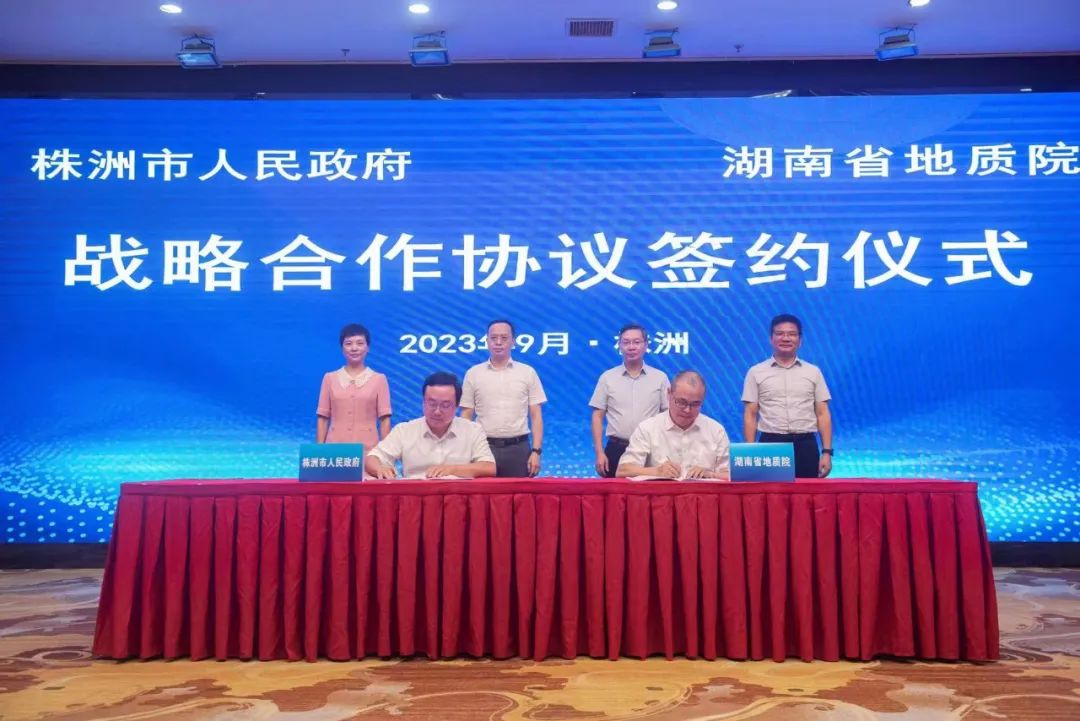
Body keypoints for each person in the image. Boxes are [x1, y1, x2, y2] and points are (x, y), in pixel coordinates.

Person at [742, 313, 833, 478]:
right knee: (770, 493)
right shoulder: (755, 372)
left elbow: (822, 413)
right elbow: (750, 414)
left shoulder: (813, 372)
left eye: (792, 334)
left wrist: (827, 452)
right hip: (770, 445)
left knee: (806, 493)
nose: (786, 338)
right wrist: (751, 452)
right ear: (771, 339)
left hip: (806, 445)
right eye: (780, 333)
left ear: (800, 340)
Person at [365, 372, 495, 479]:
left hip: (458, 496)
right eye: (432, 404)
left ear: (456, 406)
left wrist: (452, 469)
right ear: (423, 402)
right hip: (416, 496)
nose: (437, 411)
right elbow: (372, 458)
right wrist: (380, 469)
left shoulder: (472, 430)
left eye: (445, 405)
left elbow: (489, 467)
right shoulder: (404, 430)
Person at [460, 320, 547, 477]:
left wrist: (536, 451)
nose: (498, 342)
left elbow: (536, 415)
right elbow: (466, 415)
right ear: (487, 341)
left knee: (518, 493)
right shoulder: (473, 374)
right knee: (481, 492)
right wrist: (464, 450)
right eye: (493, 338)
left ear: (513, 341)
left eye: (504, 338)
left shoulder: (527, 373)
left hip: (518, 449)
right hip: (482, 447)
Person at [616, 370, 730, 480]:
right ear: (669, 394)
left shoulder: (716, 431)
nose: (687, 410)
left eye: (695, 404)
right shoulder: (648, 428)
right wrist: (656, 471)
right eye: (681, 402)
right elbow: (623, 470)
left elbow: (732, 474)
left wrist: (709, 474)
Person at [589, 323, 670, 477]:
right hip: (616, 448)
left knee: (651, 491)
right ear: (619, 346)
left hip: (650, 448)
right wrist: (599, 452)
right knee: (613, 492)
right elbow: (597, 416)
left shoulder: (660, 378)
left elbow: (668, 415)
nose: (631, 347)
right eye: (626, 342)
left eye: (636, 342)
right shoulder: (607, 378)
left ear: (646, 345)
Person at [316, 323, 391, 452]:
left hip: (368, 450)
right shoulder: (329, 378)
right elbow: (323, 418)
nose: (354, 348)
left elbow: (385, 420)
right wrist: (319, 451)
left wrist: (386, 454)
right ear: (342, 348)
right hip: (335, 450)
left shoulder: (379, 379)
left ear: (368, 348)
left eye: (360, 343)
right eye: (348, 343)